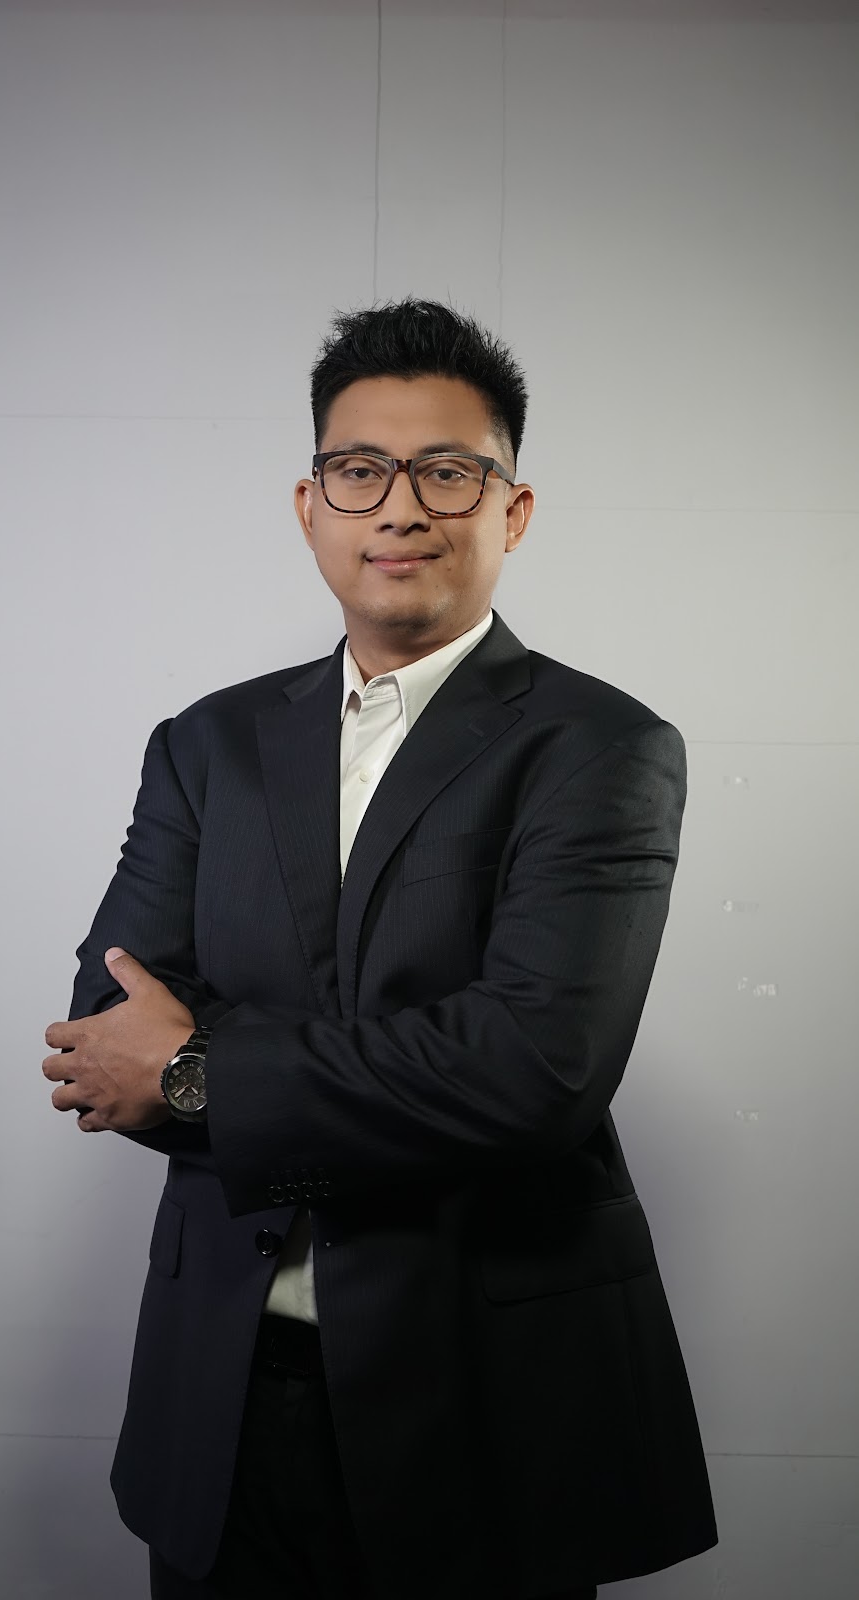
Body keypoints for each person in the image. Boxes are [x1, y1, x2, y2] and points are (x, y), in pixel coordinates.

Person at [43, 298, 718, 1600]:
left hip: (480, 1397)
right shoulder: (208, 745)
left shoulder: (600, 748)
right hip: (223, 1388)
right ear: (312, 507)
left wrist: (200, 1070)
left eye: (447, 472)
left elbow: (533, 1070)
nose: (399, 508)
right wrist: (361, 1073)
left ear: (514, 510)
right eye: (360, 470)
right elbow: (101, 1031)